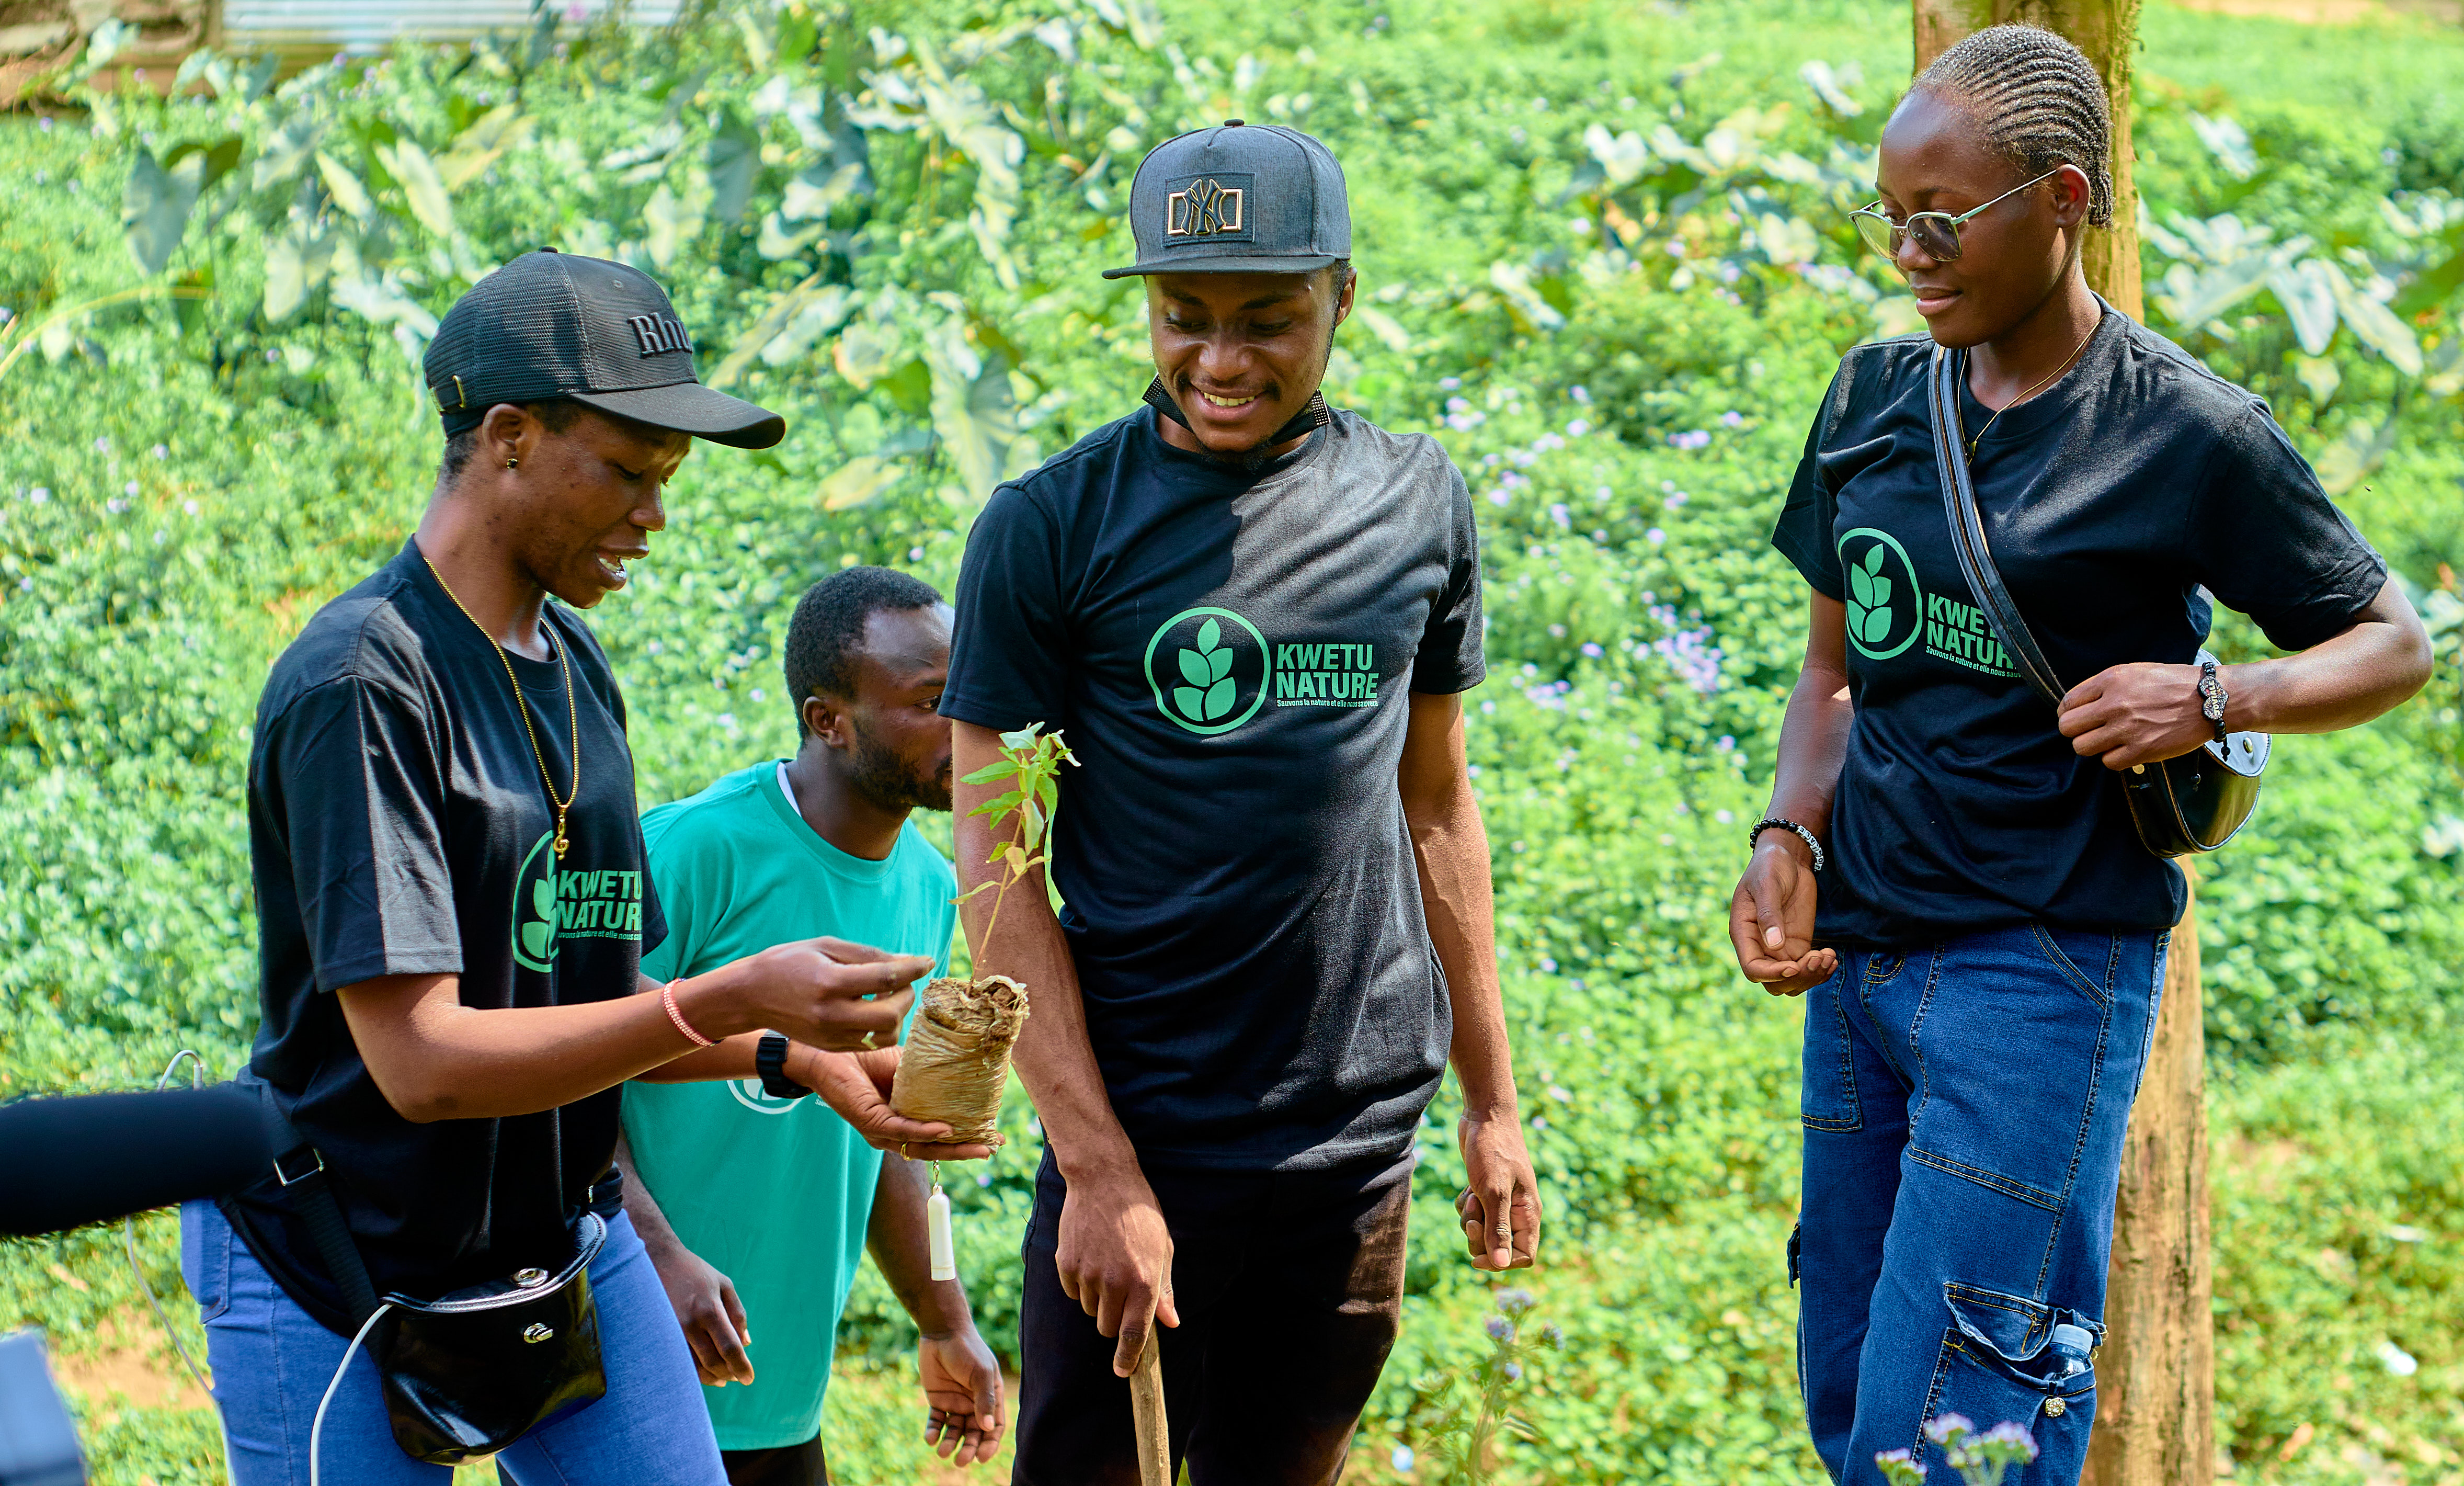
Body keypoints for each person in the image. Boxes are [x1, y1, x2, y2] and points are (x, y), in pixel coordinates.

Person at [1733, 26, 2433, 1486]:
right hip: (1859, 971)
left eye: (1942, 220)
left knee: (1956, 1430)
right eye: (1890, 218)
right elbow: (1831, 671)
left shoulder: (2185, 432)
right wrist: (1787, 834)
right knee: (1854, 1399)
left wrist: (2217, 694)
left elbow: (2392, 643)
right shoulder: (1872, 399)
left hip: (2037, 978)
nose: (1910, 255)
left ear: (2061, 201)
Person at [186, 252, 984, 1486]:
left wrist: (797, 1059)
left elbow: (590, 1006)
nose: (655, 515)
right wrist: (729, 996)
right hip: (337, 1258)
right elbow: (424, 1064)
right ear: (508, 437)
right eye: (627, 471)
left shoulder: (574, 668)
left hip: (555, 1237)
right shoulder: (366, 682)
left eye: (668, 479)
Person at [939, 121, 1542, 1485]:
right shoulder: (1050, 528)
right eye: (1183, 316)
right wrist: (1097, 1170)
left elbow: (1437, 805)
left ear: (1342, 295)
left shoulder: (1413, 501)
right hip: (1147, 1133)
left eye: (1266, 319)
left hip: (1354, 1144)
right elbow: (997, 856)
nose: (1219, 360)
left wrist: (1491, 1105)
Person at [617, 567, 1008, 1484]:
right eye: (930, 702)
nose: (965, 723)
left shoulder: (927, 888)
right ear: (829, 720)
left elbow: (875, 1130)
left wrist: (944, 1320)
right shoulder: (693, 849)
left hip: (782, 1385)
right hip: (635, 1363)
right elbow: (566, 1073)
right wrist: (656, 1257)